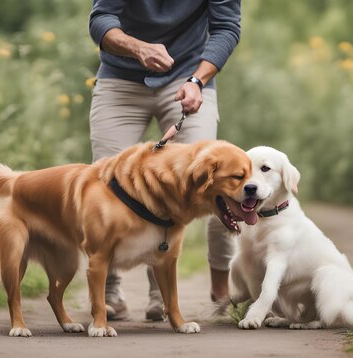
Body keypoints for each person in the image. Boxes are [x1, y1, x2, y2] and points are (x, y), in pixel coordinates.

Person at [88, 0, 241, 321]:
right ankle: (109, 289)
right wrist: (137, 48)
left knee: (221, 182)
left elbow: (226, 28)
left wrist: (198, 80)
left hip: (190, 78)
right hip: (120, 78)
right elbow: (101, 20)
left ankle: (213, 290)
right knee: (104, 188)